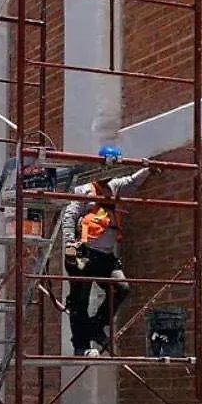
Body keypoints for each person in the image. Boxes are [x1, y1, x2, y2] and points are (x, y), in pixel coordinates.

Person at [61, 147, 154, 356]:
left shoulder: (114, 186)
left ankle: (96, 326)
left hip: (105, 256)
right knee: (79, 301)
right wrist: (70, 248)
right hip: (84, 253)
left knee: (121, 288)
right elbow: (69, 218)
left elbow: (132, 181)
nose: (110, 170)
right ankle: (81, 346)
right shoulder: (84, 189)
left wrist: (148, 169)